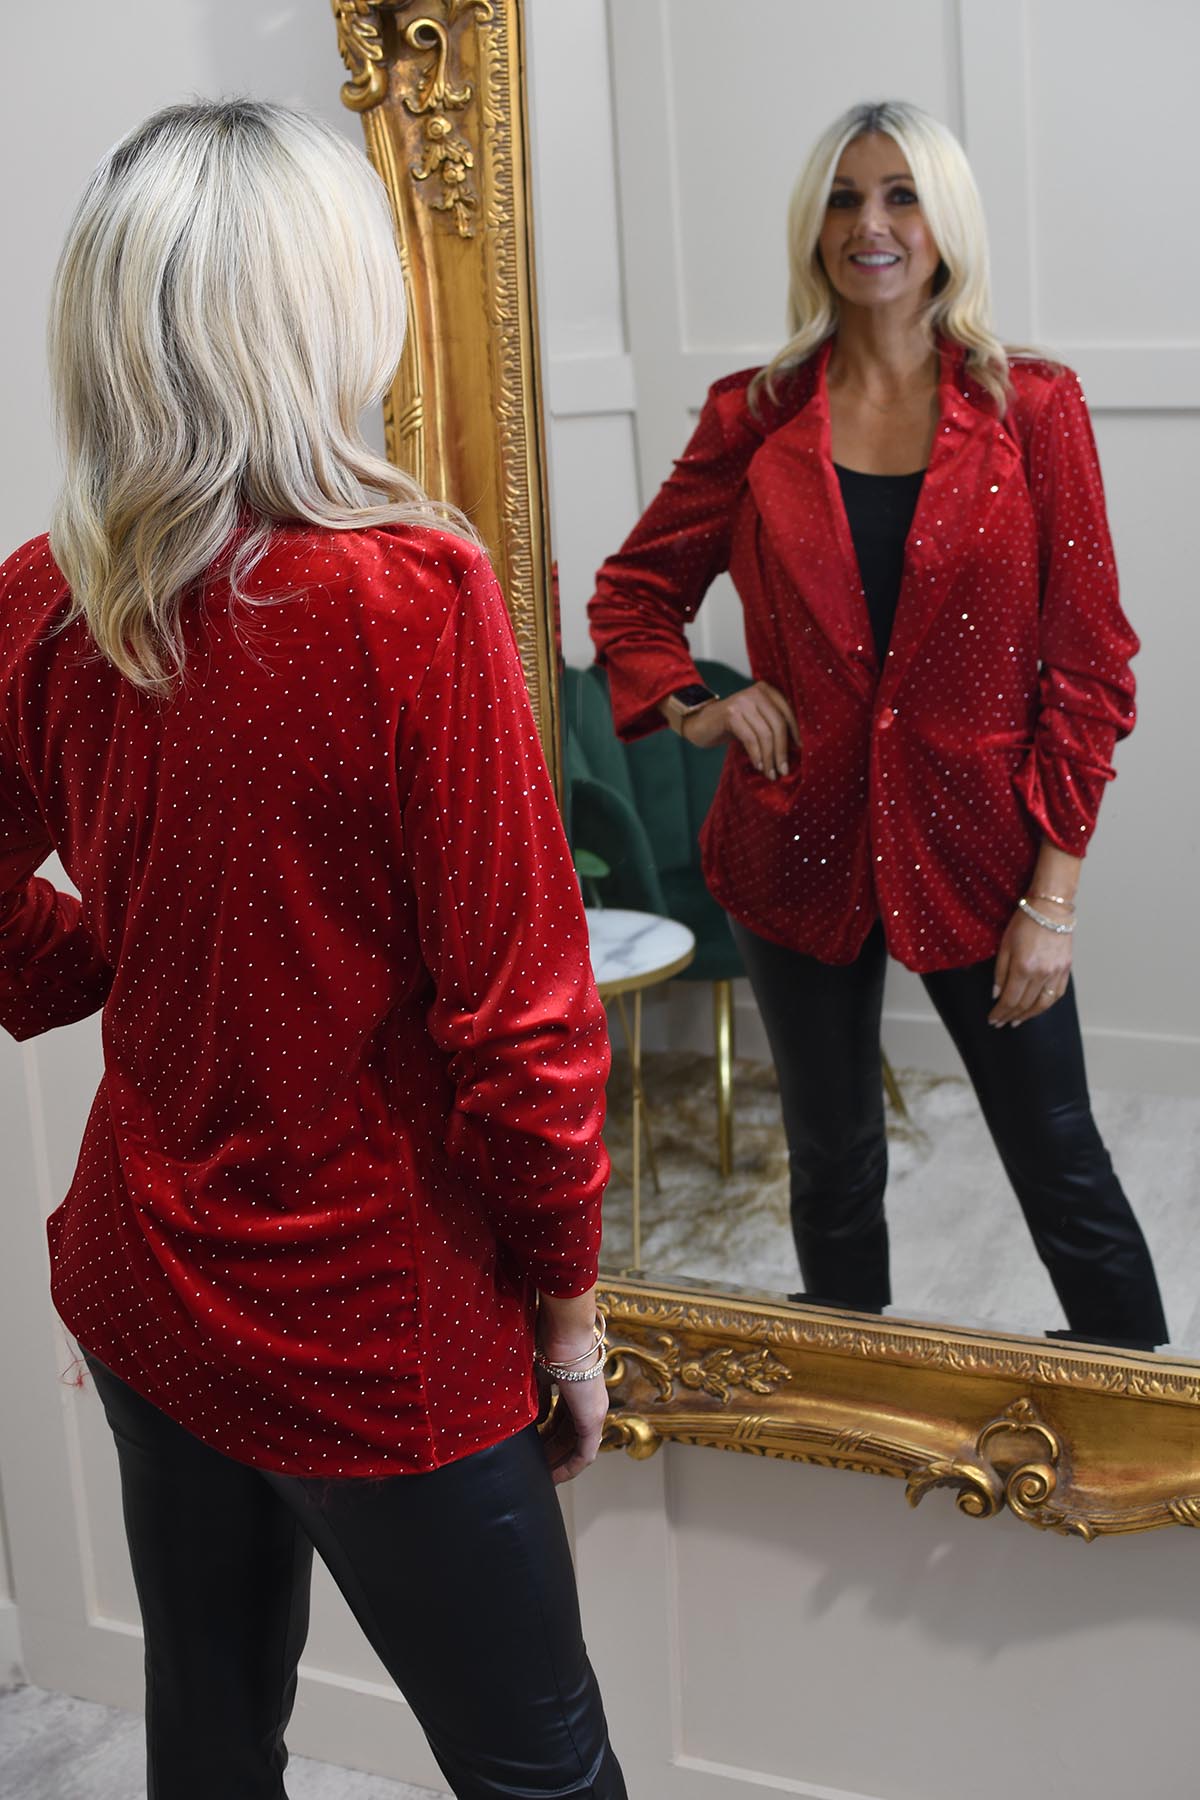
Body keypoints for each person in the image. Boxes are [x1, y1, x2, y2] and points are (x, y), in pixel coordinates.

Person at [0, 100, 626, 1799]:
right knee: (545, 1778)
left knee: (211, 1737)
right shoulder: (406, 600)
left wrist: (96, 959)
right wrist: (569, 1315)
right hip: (377, 1322)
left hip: (147, 1280)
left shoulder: (45, 596)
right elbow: (526, 1024)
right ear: (323, 308)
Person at [589, 99, 1167, 1351]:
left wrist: (1053, 899)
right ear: (816, 227)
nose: (873, 224)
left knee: (1058, 1157)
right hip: (795, 839)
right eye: (846, 198)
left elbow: (1089, 669)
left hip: (985, 851)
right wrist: (702, 704)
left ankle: (1144, 1418)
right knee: (832, 1155)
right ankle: (845, 1411)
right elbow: (632, 597)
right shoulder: (755, 413)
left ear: (945, 222)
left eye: (902, 195)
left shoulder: (1032, 409)